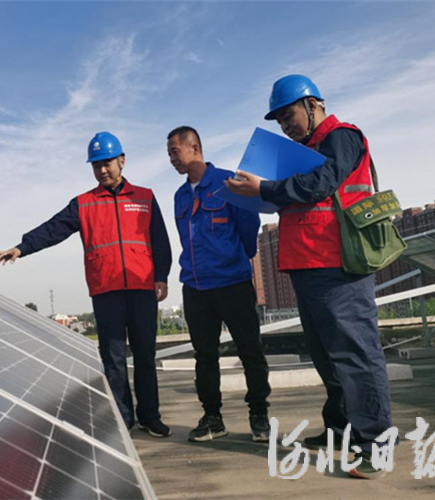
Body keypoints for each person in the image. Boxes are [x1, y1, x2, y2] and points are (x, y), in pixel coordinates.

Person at [224, 74, 394, 479]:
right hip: (307, 263)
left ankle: (376, 443)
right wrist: (258, 193)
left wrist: (265, 188)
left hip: (339, 265)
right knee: (325, 353)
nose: (285, 125)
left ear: (313, 105)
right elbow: (300, 195)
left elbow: (323, 183)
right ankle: (341, 428)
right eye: (280, 120)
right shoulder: (301, 153)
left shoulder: (342, 136)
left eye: (289, 116)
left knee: (355, 353)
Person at [0, 131, 173, 437]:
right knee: (113, 360)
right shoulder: (84, 204)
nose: (102, 170)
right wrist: (22, 248)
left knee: (145, 355)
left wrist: (162, 276)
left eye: (107, 163)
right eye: (96, 165)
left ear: (122, 161)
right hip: (106, 292)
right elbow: (53, 229)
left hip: (142, 288)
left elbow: (160, 240)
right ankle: (123, 419)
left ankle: (150, 416)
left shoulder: (144, 197)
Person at [167, 126, 271, 443]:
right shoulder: (180, 196)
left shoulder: (229, 183)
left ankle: (259, 415)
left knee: (250, 350)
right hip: (196, 287)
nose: (171, 159)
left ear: (195, 148)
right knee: (205, 356)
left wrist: (233, 259)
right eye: (169, 154)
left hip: (232, 283)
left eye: (175, 152)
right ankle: (212, 418)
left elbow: (248, 230)